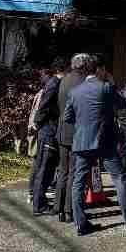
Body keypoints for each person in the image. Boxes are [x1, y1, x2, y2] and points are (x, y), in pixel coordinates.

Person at [63, 56, 126, 237]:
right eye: (105, 69)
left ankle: (81, 224)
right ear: (99, 69)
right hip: (105, 141)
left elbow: (68, 117)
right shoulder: (106, 87)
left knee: (78, 181)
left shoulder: (74, 91)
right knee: (120, 178)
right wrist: (112, 83)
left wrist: (83, 123)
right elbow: (122, 104)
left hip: (82, 142)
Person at [54, 53, 89, 223]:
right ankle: (69, 210)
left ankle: (58, 207)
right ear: (85, 66)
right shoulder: (84, 82)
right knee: (74, 172)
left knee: (63, 170)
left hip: (62, 130)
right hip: (77, 132)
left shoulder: (64, 80)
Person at [29, 58, 66, 215]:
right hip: (48, 131)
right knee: (45, 168)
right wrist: (38, 122)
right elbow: (44, 106)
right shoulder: (54, 84)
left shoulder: (54, 83)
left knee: (46, 167)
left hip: (49, 130)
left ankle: (39, 201)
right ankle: (39, 204)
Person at [26, 66, 51, 205]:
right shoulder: (44, 93)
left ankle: (32, 191)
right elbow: (38, 114)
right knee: (38, 163)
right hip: (39, 131)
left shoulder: (41, 93)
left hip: (36, 131)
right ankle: (32, 192)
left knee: (38, 162)